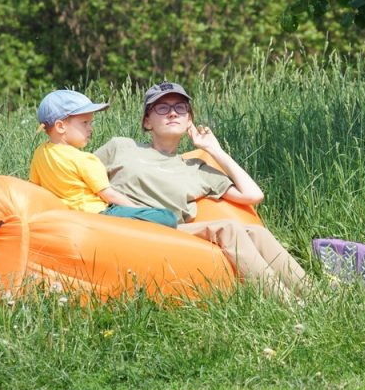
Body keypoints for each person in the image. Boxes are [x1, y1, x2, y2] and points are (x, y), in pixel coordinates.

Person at [94, 82, 308, 300]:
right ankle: (286, 302)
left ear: (189, 120)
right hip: (125, 224)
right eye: (162, 108)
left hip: (170, 230)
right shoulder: (121, 147)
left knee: (257, 232)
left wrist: (214, 150)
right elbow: (78, 173)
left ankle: (317, 295)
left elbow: (254, 196)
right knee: (229, 228)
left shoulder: (195, 167)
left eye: (180, 107)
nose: (172, 113)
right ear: (147, 121)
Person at [29, 89, 177, 227]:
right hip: (99, 215)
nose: (90, 128)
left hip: (67, 216)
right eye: (85, 123)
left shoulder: (39, 153)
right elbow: (109, 195)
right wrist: (140, 210)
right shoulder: (84, 159)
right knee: (167, 217)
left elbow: (35, 188)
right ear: (61, 126)